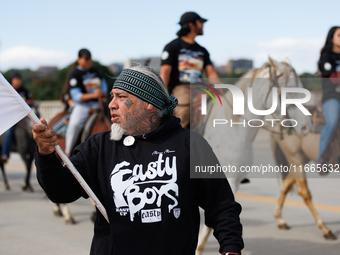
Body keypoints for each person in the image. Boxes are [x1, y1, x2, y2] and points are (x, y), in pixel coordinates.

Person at [32, 65, 244, 255]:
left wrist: (231, 248)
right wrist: (46, 155)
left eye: (121, 97)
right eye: (112, 96)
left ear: (149, 103)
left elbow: (222, 206)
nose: (111, 105)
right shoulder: (99, 147)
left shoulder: (190, 144)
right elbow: (59, 191)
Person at [160, 11, 219, 129]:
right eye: (200, 22)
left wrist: (223, 90)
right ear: (191, 25)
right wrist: (163, 95)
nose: (202, 25)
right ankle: (179, 138)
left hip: (200, 87)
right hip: (181, 88)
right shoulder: (172, 47)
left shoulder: (202, 50)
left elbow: (211, 72)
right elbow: (165, 72)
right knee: (185, 107)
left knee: (220, 105)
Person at [64, 48, 108, 156]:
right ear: (79, 59)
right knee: (74, 125)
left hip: (99, 104)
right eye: (85, 59)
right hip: (83, 106)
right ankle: (67, 153)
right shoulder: (75, 74)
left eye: (89, 60)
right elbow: (76, 96)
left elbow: (103, 85)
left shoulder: (95, 71)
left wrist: (103, 93)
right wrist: (93, 95)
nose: (88, 62)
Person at [317, 26, 340, 164]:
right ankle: (322, 157)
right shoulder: (326, 57)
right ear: (331, 38)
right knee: (332, 122)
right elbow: (333, 78)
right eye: (339, 35)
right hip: (332, 96)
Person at [1, 73, 34, 163]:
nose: (18, 81)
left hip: (23, 117)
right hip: (12, 117)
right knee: (9, 132)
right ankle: (5, 154)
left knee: (32, 129)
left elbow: (30, 100)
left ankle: (35, 150)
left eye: (19, 79)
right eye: (16, 79)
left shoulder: (24, 90)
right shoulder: (8, 90)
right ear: (12, 81)